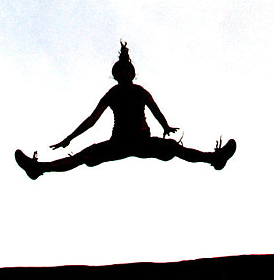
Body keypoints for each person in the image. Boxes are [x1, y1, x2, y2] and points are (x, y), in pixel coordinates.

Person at [15, 43, 235, 179]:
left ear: (131, 73)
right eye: (120, 72)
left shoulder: (139, 90)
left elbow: (155, 109)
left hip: (140, 140)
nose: (124, 75)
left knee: (174, 148)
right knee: (83, 156)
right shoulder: (114, 93)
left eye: (126, 71)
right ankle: (38, 168)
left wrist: (165, 125)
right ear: (117, 75)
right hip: (119, 142)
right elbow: (92, 119)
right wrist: (69, 139)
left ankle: (215, 158)